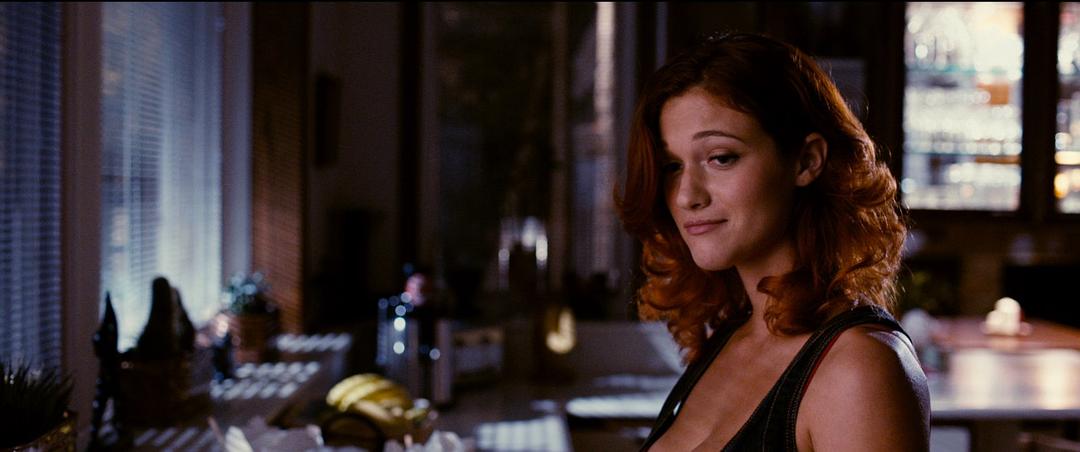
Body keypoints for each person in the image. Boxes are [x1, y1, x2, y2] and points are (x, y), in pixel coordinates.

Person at [615, 32, 930, 451]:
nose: (687, 195)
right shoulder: (729, 340)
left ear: (806, 161)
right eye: (672, 166)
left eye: (720, 158)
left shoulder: (859, 368)